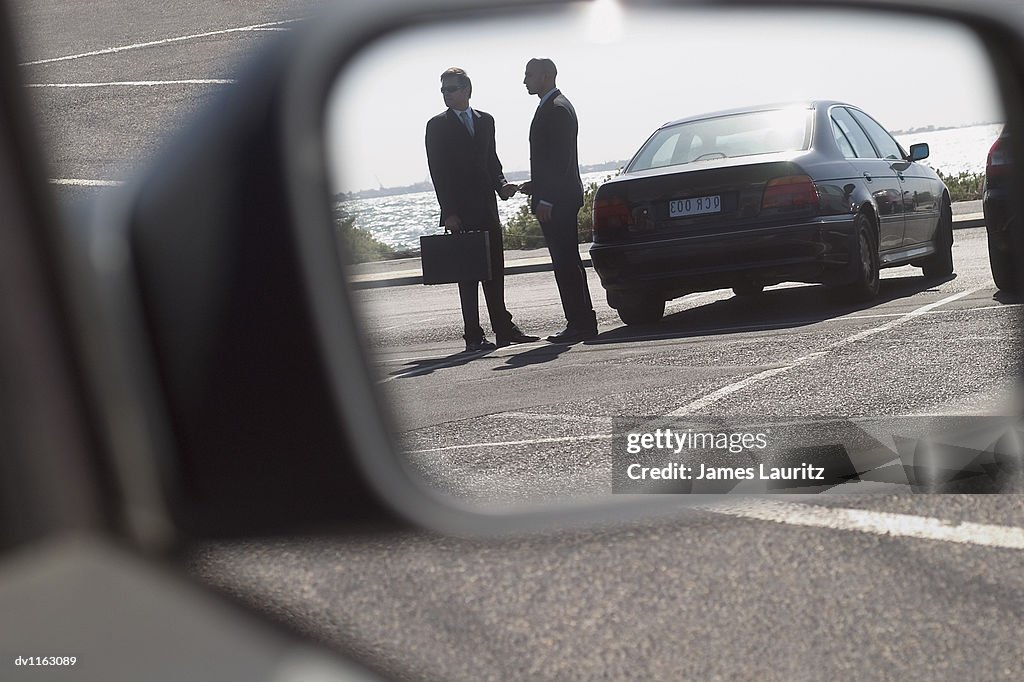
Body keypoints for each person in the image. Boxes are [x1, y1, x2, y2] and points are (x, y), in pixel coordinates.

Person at [425, 67, 539, 352]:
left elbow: (492, 161)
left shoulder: (485, 120)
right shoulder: (437, 125)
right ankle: (473, 335)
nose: (446, 94)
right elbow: (438, 172)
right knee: (467, 275)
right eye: (443, 90)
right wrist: (448, 212)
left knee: (494, 270)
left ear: (466, 90)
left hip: (486, 207)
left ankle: (504, 329)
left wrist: (502, 186)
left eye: (450, 89)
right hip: (459, 211)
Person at [520, 58, 598, 344]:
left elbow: (561, 159)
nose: (524, 80)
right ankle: (579, 321)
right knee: (565, 261)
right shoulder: (551, 106)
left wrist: (548, 199)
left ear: (545, 76)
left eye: (529, 75)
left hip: (559, 200)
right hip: (556, 195)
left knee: (566, 262)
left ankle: (580, 323)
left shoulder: (557, 108)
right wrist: (535, 185)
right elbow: (550, 160)